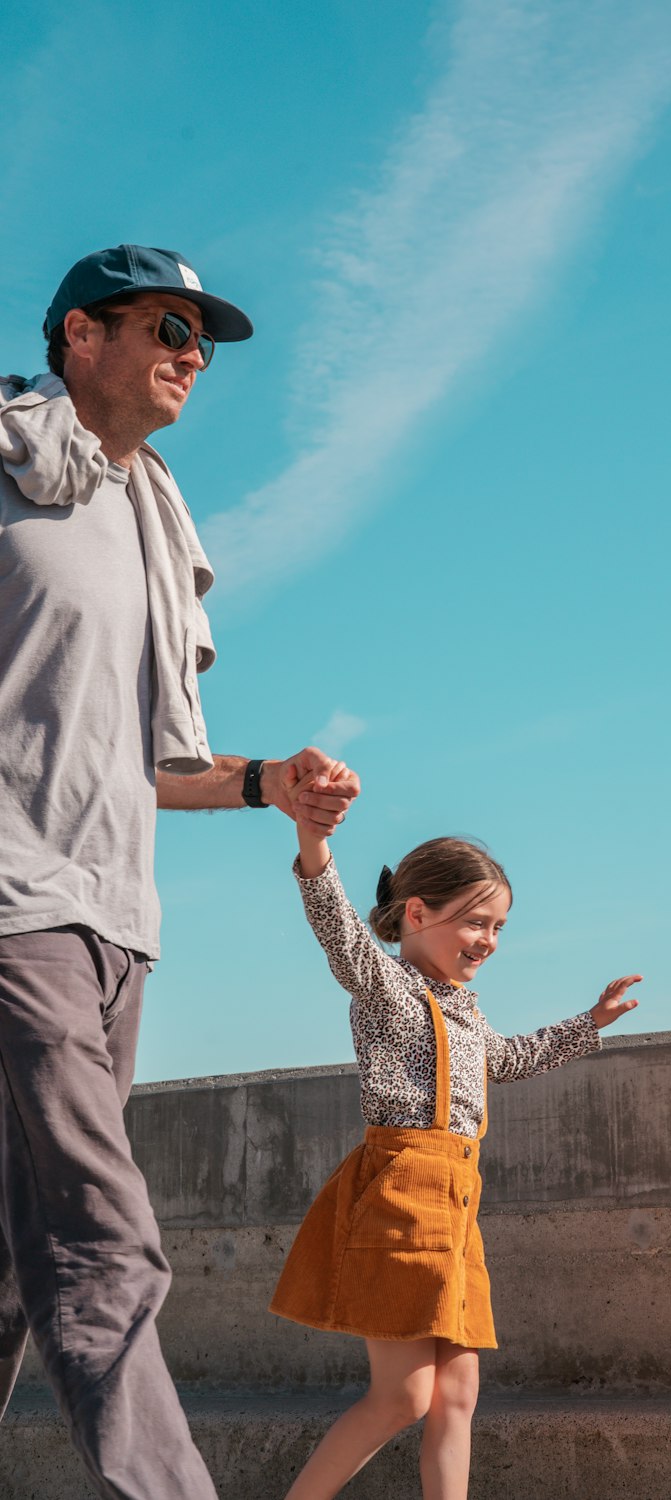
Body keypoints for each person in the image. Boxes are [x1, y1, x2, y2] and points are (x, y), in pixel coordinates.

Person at [0, 244, 359, 1500]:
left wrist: (267, 782)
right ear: (79, 337)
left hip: (115, 919)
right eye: (167, 327)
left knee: (27, 1250)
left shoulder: (145, 516)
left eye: (203, 341)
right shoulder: (8, 465)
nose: (191, 357)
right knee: (105, 1237)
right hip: (13, 907)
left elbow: (155, 765)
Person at [269, 765, 641, 1500]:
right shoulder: (386, 987)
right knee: (402, 1396)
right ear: (415, 915)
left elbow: (504, 1061)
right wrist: (313, 842)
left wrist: (587, 1026)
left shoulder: (465, 1009)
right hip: (403, 1196)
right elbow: (338, 931)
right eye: (475, 922)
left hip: (457, 1204)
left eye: (498, 927)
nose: (488, 941)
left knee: (458, 1392)